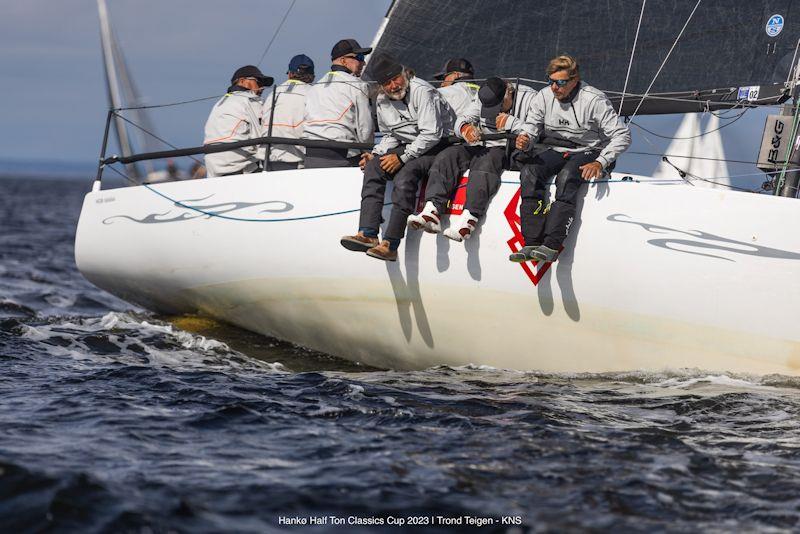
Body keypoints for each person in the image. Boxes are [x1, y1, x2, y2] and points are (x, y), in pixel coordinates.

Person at [510, 55, 631, 263]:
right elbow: (531, 128)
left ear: (575, 80)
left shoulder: (593, 99)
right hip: (558, 148)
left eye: (561, 82)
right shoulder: (543, 96)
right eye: (551, 81)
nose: (555, 87)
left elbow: (623, 135)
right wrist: (526, 139)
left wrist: (601, 161)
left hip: (589, 149)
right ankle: (530, 241)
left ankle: (552, 244)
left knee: (566, 177)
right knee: (530, 171)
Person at [339, 54, 455, 261]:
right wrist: (375, 153)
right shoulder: (382, 99)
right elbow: (391, 135)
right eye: (386, 83)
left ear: (405, 74)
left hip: (441, 146)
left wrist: (402, 158)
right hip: (412, 144)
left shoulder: (422, 90)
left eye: (396, 79)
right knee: (374, 167)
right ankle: (367, 233)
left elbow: (431, 134)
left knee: (405, 175)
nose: (393, 86)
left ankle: (390, 244)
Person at [409, 77, 537, 241]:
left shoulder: (531, 98)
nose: (493, 112)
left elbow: (537, 130)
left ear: (509, 92)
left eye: (497, 106)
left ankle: (469, 219)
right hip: (484, 145)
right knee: (449, 154)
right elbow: (461, 120)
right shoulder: (483, 97)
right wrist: (465, 129)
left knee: (486, 160)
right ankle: (432, 210)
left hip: (512, 151)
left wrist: (512, 123)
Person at [303, 39, 374, 168]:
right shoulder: (358, 85)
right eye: (359, 57)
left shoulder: (315, 87)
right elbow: (365, 129)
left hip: (310, 156)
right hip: (341, 156)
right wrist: (369, 153)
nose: (363, 62)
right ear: (343, 60)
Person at [203, 65, 273, 177]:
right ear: (242, 81)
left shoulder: (219, 104)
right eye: (259, 82)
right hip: (239, 167)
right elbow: (260, 137)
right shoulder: (250, 101)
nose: (262, 87)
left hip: (213, 168)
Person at [260, 54, 315, 170]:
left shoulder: (272, 94)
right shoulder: (313, 93)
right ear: (312, 76)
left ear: (290, 74)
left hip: (266, 159)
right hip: (296, 161)